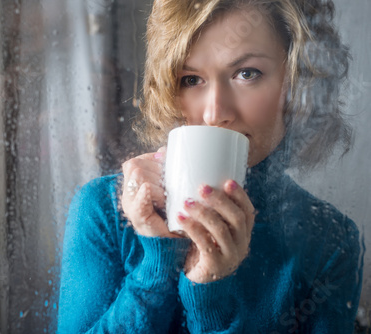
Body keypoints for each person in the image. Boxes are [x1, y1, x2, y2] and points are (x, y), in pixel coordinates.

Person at [58, 0, 363, 332]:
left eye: (247, 73)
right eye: (191, 79)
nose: (215, 113)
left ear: (296, 85)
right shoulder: (102, 209)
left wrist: (210, 297)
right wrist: (154, 272)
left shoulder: (330, 242)